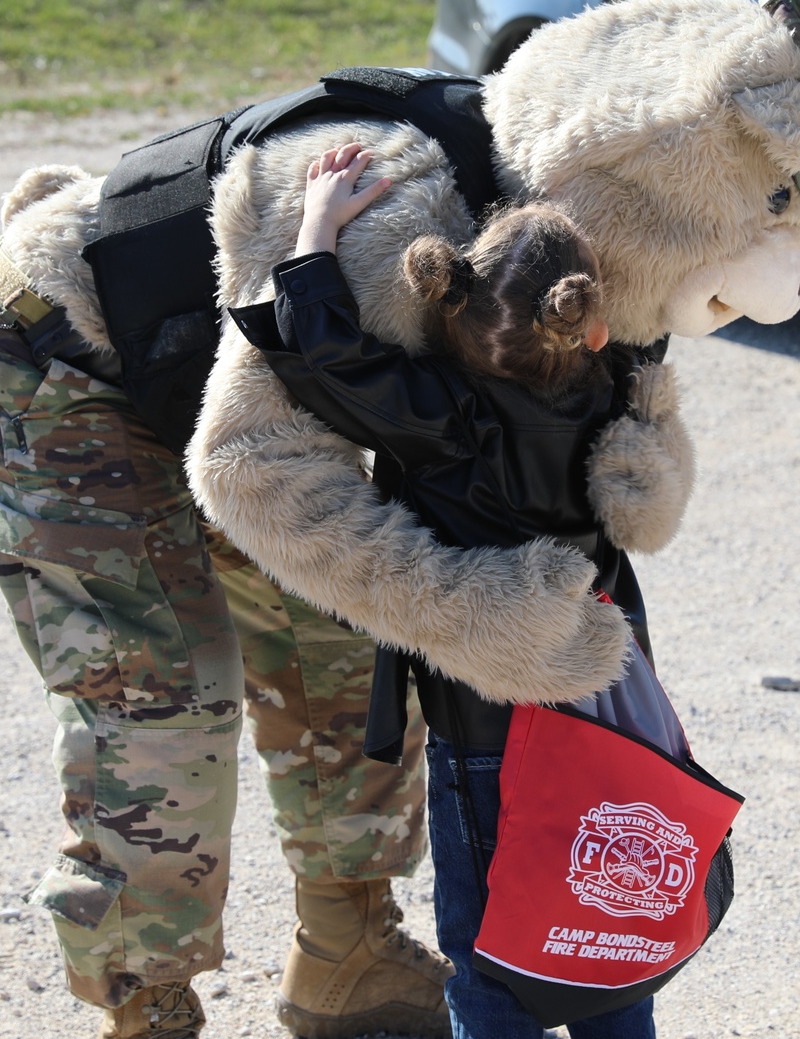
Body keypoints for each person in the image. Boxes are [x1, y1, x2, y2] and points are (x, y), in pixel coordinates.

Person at [0, 191, 452, 1036]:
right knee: (163, 686)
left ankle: (348, 950)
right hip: (51, 347)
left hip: (215, 368)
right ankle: (146, 1004)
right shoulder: (477, 212)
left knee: (339, 626)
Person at [231, 143, 657, 1038]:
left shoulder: (440, 413)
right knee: (609, 934)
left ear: (447, 314)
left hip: (483, 723)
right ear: (589, 326)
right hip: (606, 710)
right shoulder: (614, 389)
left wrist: (316, 225)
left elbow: (331, 352)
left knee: (489, 955)